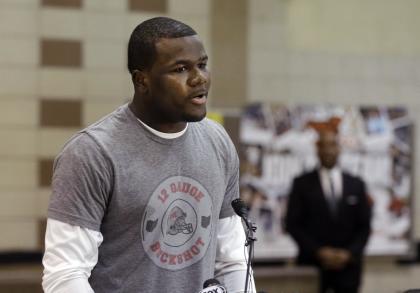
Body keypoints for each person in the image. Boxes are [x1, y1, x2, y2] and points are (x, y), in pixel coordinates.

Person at [42, 17, 256, 293]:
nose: (198, 78)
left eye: (202, 65)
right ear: (141, 80)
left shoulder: (218, 142)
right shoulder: (92, 153)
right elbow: (65, 274)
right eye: (180, 69)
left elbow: (232, 262)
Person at [285, 129, 372, 293]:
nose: (328, 150)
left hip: (349, 269)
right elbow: (292, 224)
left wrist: (348, 253)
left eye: (332, 145)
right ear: (317, 150)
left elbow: (364, 226)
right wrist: (319, 251)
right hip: (312, 267)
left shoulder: (356, 184)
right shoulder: (302, 184)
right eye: (323, 146)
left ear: (339, 148)